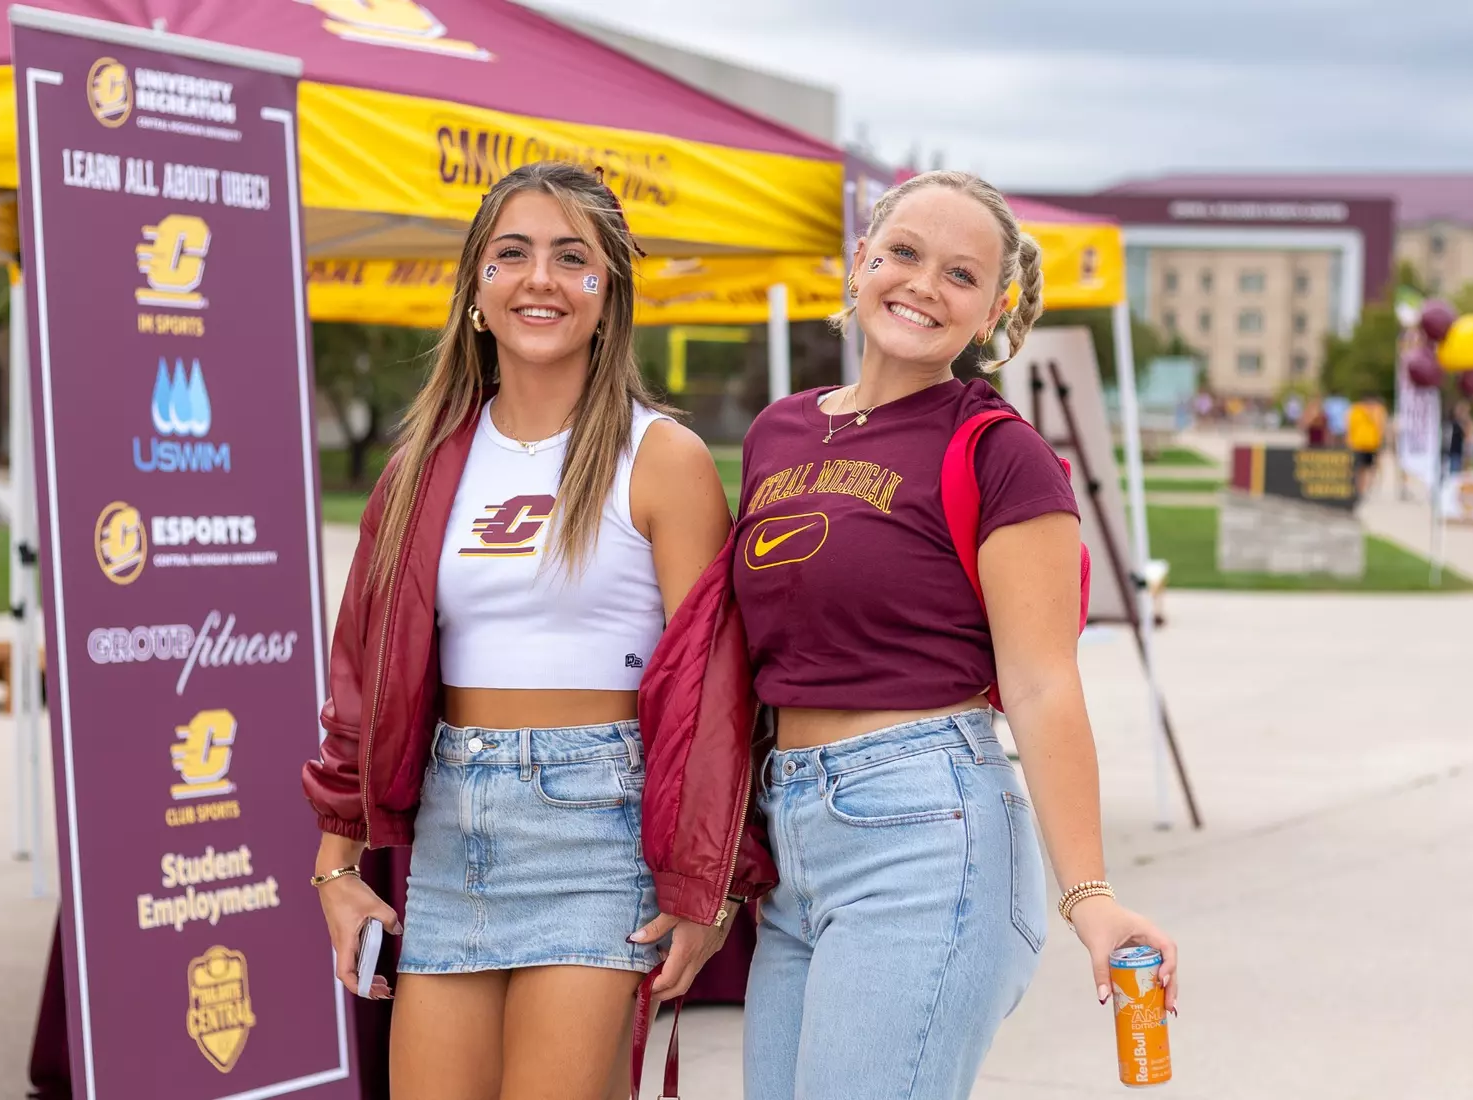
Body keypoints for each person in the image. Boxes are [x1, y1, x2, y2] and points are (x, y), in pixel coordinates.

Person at [299, 162, 755, 1100]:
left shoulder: (659, 456)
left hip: (598, 825)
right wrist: (335, 865)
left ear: (608, 293)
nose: (539, 279)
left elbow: (717, 692)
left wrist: (715, 888)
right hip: (452, 819)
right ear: (476, 287)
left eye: (571, 258)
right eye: (512, 254)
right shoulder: (422, 466)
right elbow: (364, 678)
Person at [733, 171, 1179, 1100]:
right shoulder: (778, 432)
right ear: (859, 264)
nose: (923, 285)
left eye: (961, 274)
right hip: (792, 840)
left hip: (927, 832)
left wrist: (1089, 895)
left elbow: (1045, 680)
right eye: (902, 253)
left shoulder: (998, 450)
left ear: (991, 312)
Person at [1346, 392, 1388, 496]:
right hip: (1359, 443)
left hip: (1373, 444)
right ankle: (1361, 488)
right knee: (1360, 467)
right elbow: (1351, 425)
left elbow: (1381, 426)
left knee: (1371, 467)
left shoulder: (1378, 410)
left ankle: (1368, 488)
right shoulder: (1357, 410)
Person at [1448, 399, 1473, 474]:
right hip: (1454, 452)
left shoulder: (1466, 423)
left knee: (1457, 474)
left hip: (1460, 453)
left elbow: (1469, 437)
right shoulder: (1456, 422)